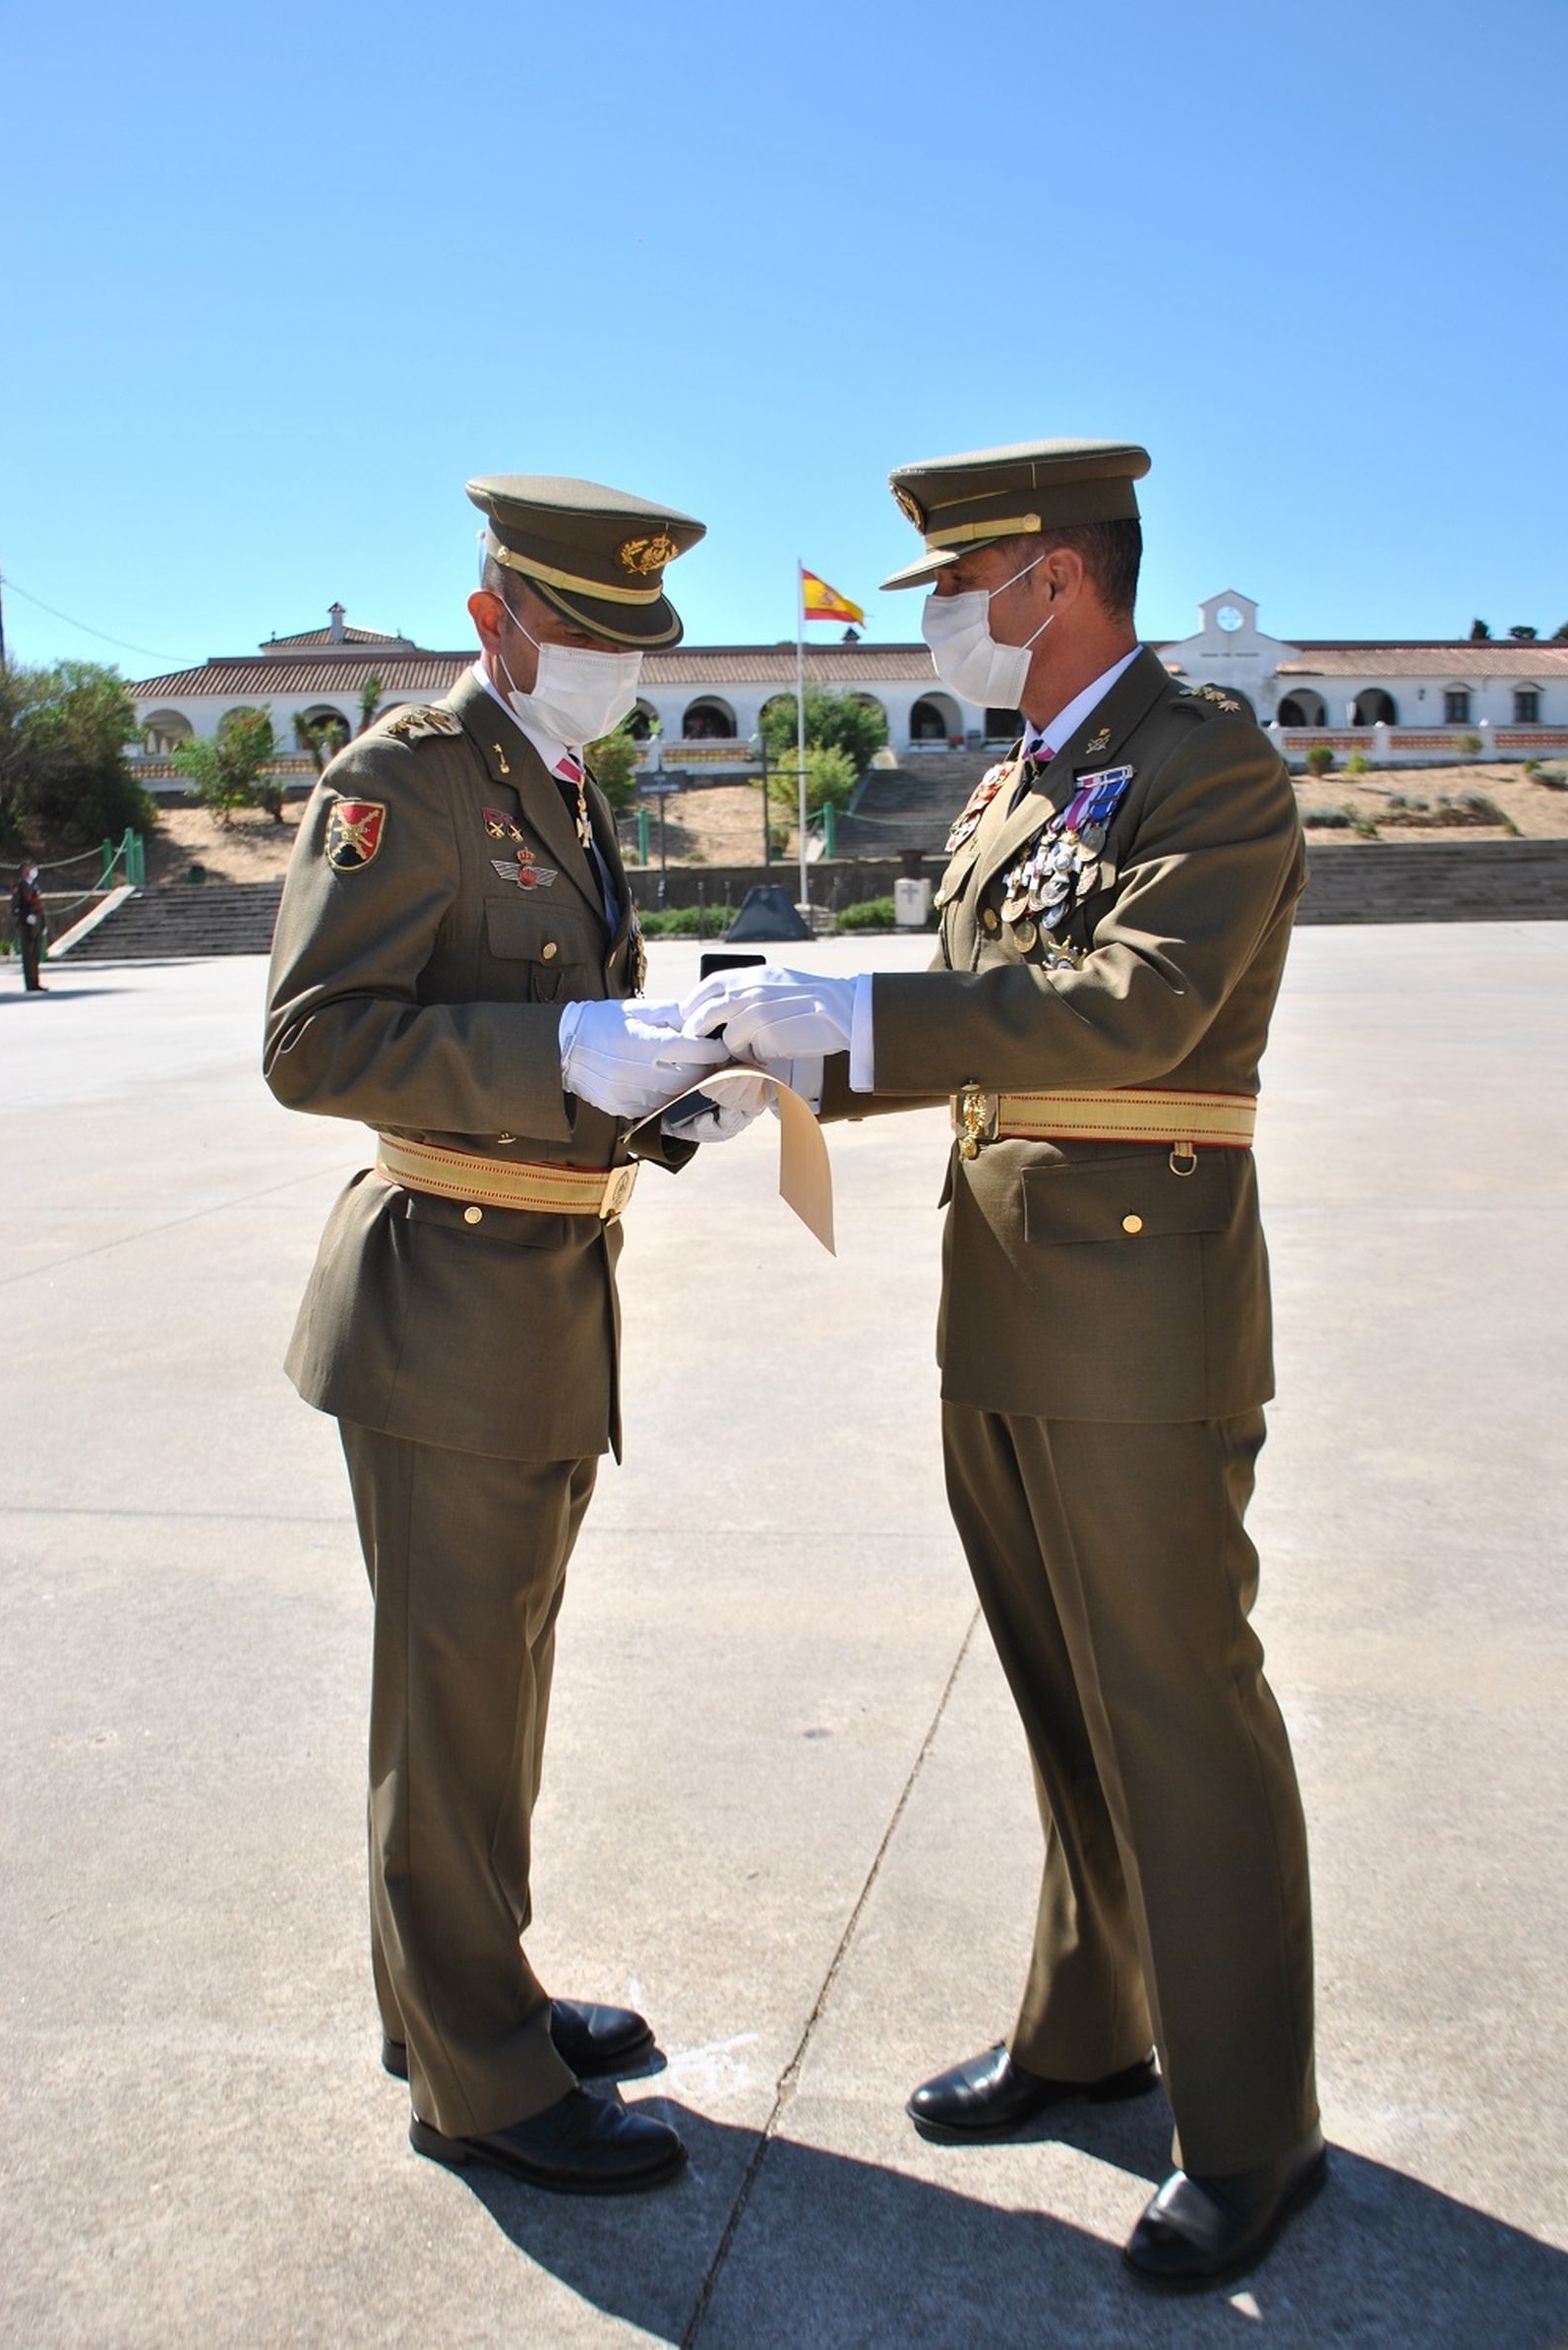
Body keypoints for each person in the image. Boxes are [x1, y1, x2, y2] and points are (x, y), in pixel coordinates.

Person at [682, 439, 1322, 2288]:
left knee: (1178, 1698)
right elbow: (982, 1008)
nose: (947, 625)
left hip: (1142, 1299)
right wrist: (776, 1052)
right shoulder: (1014, 784)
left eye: (961, 590)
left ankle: (1255, 2128)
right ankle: (1086, 2023)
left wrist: (862, 1020)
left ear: (1053, 577)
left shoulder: (1209, 760)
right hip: (1008, 1292)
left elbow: (1139, 1006)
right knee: (1061, 1682)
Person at [264, 473, 755, 2198]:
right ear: (498, 618)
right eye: (591, 633)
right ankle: (479, 2080)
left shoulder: (557, 784)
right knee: (455, 1689)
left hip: (544, 1290)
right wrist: (556, 1047)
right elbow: (316, 1040)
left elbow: (566, 1030)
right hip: (442, 1298)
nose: (616, 667)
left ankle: (472, 1991)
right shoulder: (399, 777)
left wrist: (663, 1091)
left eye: (639, 643)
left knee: (496, 1683)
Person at [11, 860, 46, 991]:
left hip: (36, 925)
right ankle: (29, 984)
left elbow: (40, 907)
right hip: (26, 926)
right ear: (24, 871)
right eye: (30, 868)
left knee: (35, 955)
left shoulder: (35, 885)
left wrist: (43, 924)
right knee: (28, 956)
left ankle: (35, 982)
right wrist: (26, 917)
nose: (33, 870)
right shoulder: (19, 886)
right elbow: (15, 908)